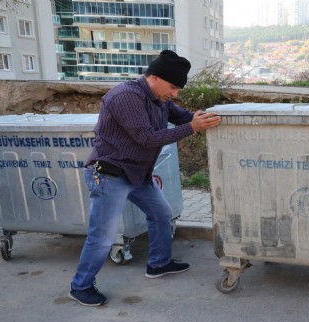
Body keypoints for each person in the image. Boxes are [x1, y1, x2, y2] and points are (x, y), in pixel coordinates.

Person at [68, 50, 222, 307]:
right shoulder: (127, 96)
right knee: (103, 236)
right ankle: (80, 286)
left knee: (162, 213)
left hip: (136, 173)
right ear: (155, 78)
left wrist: (206, 117)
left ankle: (159, 263)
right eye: (173, 87)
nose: (175, 94)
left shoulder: (159, 99)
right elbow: (147, 137)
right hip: (109, 174)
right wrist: (192, 128)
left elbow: (184, 117)